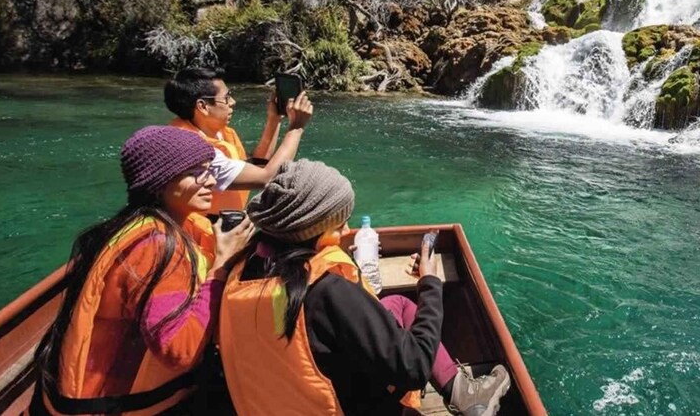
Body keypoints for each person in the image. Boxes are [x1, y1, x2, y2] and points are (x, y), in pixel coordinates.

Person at [218, 160, 511, 416]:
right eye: (338, 226)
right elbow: (416, 366)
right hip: (341, 408)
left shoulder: (241, 270)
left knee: (397, 303)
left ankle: (461, 390)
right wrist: (429, 282)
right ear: (310, 232)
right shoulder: (325, 293)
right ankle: (465, 395)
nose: (347, 232)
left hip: (278, 399)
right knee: (411, 333)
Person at [31, 126, 255, 415]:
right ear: (160, 181)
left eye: (209, 169)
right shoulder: (155, 247)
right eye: (197, 172)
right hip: (115, 405)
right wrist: (222, 266)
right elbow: (180, 351)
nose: (211, 180)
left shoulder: (133, 224)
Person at [164, 67, 313, 215]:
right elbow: (266, 178)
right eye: (226, 98)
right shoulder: (195, 150)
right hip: (205, 231)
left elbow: (258, 167)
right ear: (203, 106)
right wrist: (296, 127)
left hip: (226, 224)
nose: (233, 102)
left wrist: (274, 120)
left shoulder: (219, 133)